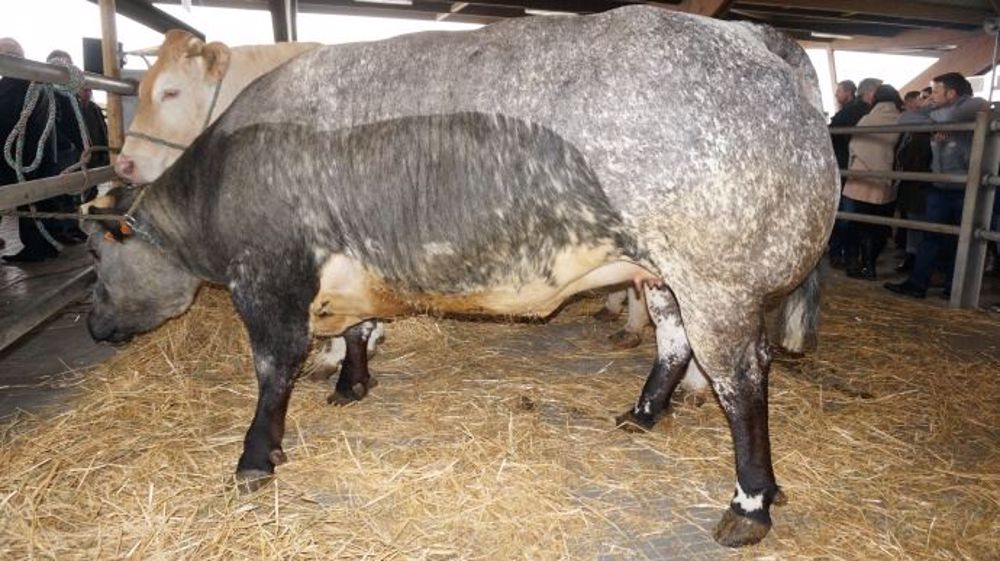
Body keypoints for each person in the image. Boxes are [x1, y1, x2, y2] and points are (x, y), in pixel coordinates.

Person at [885, 72, 989, 299]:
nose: (930, 96)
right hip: (941, 186)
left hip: (967, 188)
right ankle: (918, 285)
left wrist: (935, 119)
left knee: (961, 239)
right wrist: (933, 117)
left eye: (936, 91)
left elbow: (959, 113)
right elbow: (904, 120)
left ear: (952, 93)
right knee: (931, 237)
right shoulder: (939, 113)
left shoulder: (974, 105)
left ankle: (954, 288)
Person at [0, 38, 61, 263]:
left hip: (21, 158)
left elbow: (4, 120)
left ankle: (35, 248)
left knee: (29, 201)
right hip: (42, 155)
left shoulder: (12, 85)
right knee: (43, 200)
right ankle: (48, 244)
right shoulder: (38, 84)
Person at [841, 85, 903, 280]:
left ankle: (852, 264)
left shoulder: (867, 119)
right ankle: (870, 266)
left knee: (853, 225)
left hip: (859, 180)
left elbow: (854, 145)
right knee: (877, 227)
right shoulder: (900, 119)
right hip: (884, 181)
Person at [828, 77, 883, 268]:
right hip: (852, 168)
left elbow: (831, 134)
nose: (836, 95)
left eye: (839, 91)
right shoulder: (860, 111)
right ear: (869, 93)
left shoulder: (853, 112)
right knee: (851, 216)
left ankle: (841, 254)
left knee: (847, 215)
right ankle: (846, 254)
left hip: (847, 168)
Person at [893, 91, 934, 272]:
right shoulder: (918, 125)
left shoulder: (930, 123)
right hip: (914, 181)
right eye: (922, 98)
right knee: (913, 222)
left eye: (927, 97)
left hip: (924, 182)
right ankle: (912, 258)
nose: (923, 102)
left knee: (921, 224)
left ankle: (918, 263)